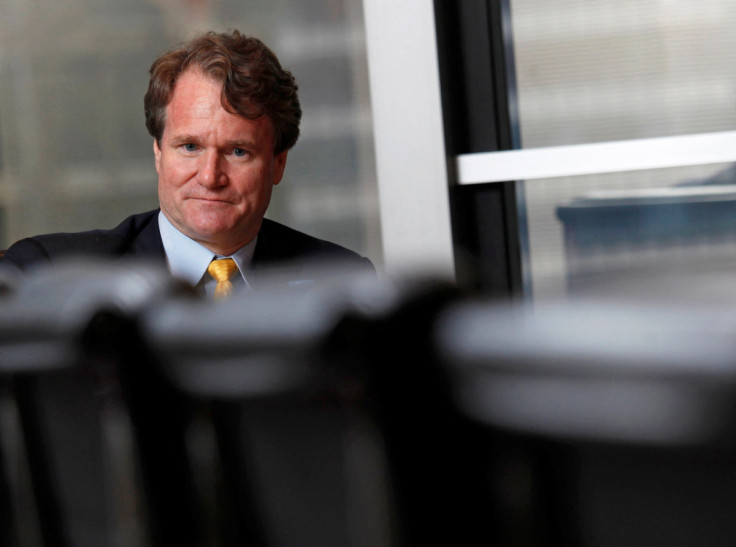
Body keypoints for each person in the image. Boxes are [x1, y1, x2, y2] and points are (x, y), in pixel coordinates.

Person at [2, 30, 373, 295]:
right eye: (190, 147)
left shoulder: (342, 282)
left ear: (278, 164)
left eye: (238, 152)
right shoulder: (45, 274)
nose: (210, 177)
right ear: (158, 153)